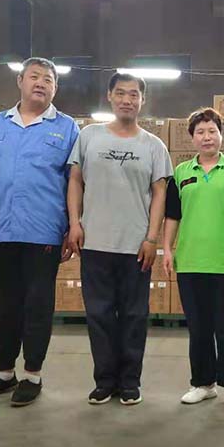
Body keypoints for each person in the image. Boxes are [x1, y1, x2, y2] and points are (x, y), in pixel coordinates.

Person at [0, 57, 78, 407]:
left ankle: (32, 375)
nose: (40, 83)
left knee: (37, 306)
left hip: (43, 232)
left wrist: (72, 226)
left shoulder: (67, 128)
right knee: (6, 306)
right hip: (1, 230)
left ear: (56, 87)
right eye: (34, 76)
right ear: (20, 81)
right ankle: (3, 373)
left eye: (48, 79)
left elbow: (75, 182)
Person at [67, 72, 172, 406]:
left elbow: (160, 193)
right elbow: (75, 181)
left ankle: (129, 382)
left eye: (134, 94)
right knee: (98, 315)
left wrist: (152, 238)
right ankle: (104, 381)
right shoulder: (89, 136)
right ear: (110, 96)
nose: (128, 100)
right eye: (121, 93)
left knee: (134, 316)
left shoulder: (153, 146)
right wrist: (74, 223)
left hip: (135, 246)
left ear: (143, 100)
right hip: (95, 242)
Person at [162, 108, 224, 414]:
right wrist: (167, 249)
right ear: (192, 138)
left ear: (221, 135)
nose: (207, 137)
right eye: (200, 132)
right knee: (199, 328)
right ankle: (203, 384)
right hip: (190, 262)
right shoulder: (181, 172)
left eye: (212, 131)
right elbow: (172, 215)